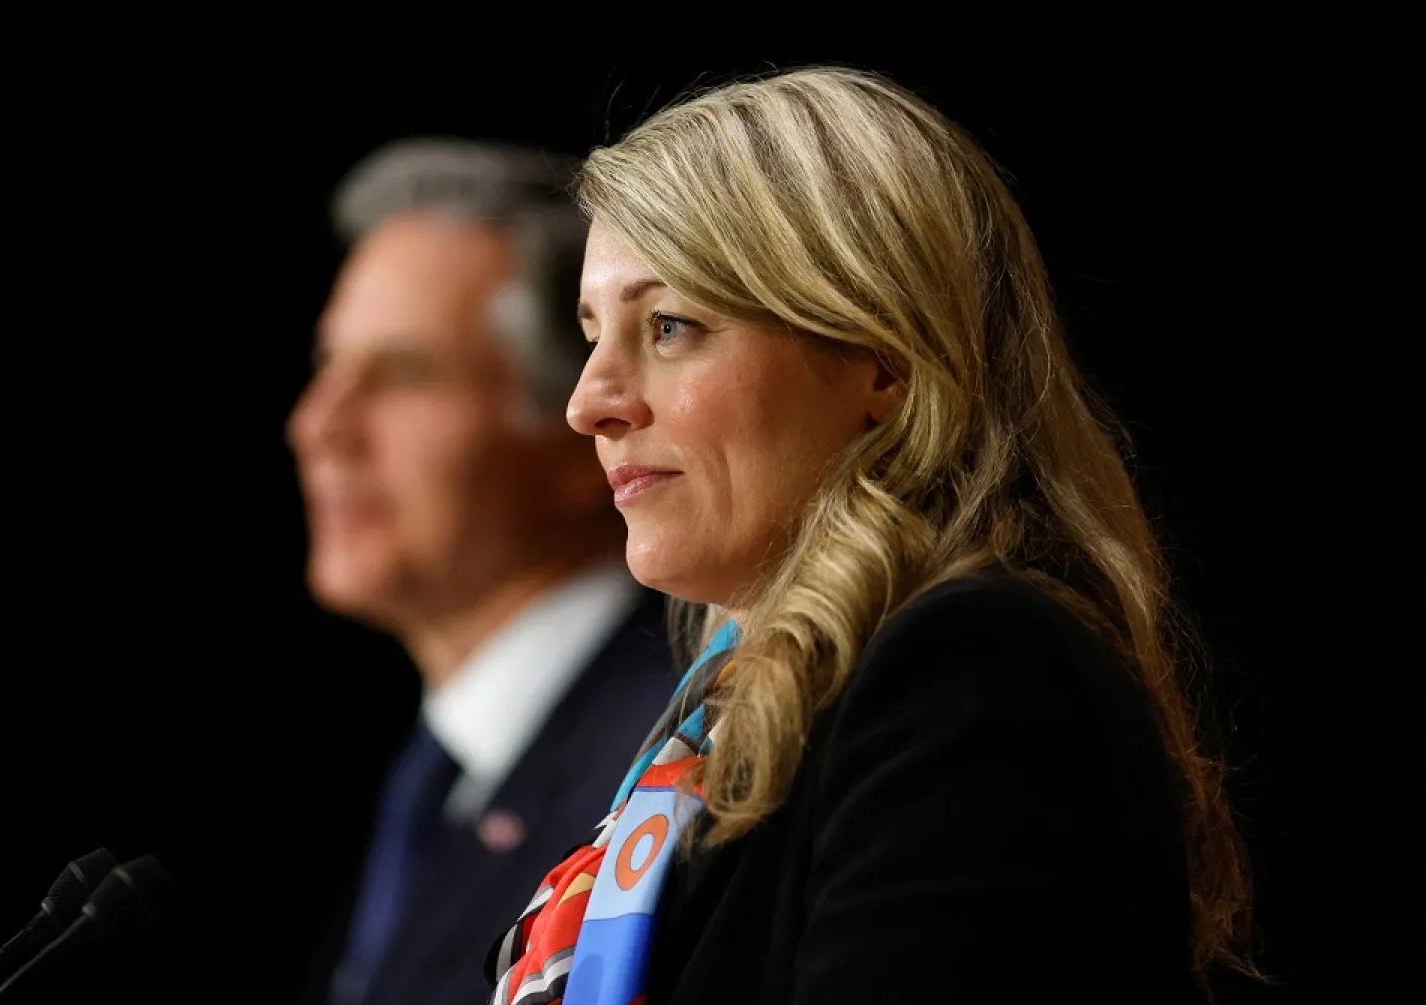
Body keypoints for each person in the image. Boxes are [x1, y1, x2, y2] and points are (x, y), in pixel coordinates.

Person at [486, 68, 1256, 1004]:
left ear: (881, 359)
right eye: (593, 334)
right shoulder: (731, 724)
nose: (588, 403)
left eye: (673, 325)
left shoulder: (974, 674)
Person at [286, 139, 674, 1005]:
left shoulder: (667, 757)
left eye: (401, 374)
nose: (320, 425)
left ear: (580, 428)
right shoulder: (435, 774)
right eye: (326, 369)